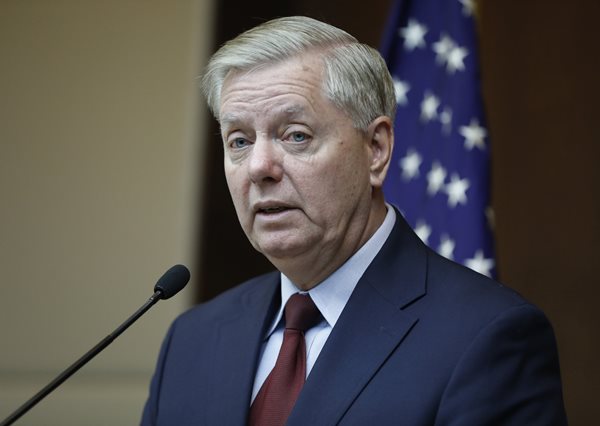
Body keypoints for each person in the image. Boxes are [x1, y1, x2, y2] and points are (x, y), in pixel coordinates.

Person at [142, 16, 567, 425]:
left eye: (296, 135)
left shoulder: (486, 337)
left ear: (376, 150)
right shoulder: (192, 338)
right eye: (239, 141)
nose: (259, 167)